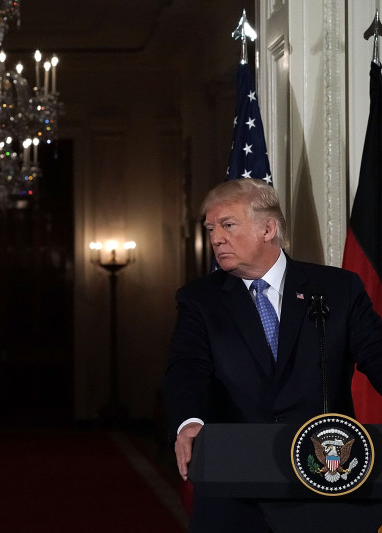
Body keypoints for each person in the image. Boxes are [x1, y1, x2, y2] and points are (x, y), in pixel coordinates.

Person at [163, 178, 382, 532]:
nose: (216, 237)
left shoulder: (337, 290)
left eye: (228, 224)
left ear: (268, 228)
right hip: (235, 481)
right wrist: (190, 422)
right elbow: (187, 369)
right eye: (211, 228)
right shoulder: (200, 300)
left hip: (323, 476)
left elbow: (377, 354)